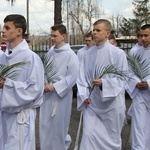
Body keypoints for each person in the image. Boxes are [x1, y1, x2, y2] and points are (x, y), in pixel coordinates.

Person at [77, 19, 128, 150]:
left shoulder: (118, 53)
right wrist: (84, 95)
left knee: (111, 138)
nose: (94, 33)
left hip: (111, 105)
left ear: (107, 33)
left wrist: (104, 83)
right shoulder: (87, 54)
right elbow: (81, 78)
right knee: (88, 135)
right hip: (92, 103)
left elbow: (122, 79)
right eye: (93, 30)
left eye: (98, 30)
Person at [0, 14, 44, 150]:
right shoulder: (3, 57)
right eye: (3, 27)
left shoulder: (31, 58)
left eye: (7, 28)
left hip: (21, 117)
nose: (3, 30)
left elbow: (35, 90)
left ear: (19, 31)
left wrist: (7, 85)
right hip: (4, 115)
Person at [39, 24, 79, 150]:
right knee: (45, 125)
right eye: (51, 35)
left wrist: (55, 86)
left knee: (58, 126)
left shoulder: (71, 55)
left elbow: (72, 77)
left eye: (55, 36)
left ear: (64, 36)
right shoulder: (50, 52)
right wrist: (45, 83)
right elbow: (45, 70)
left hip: (61, 96)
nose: (52, 38)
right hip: (47, 94)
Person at [125, 24, 150, 150]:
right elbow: (129, 71)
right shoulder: (135, 52)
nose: (143, 38)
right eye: (141, 35)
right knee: (138, 128)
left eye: (146, 35)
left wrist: (149, 83)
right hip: (139, 94)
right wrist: (136, 82)